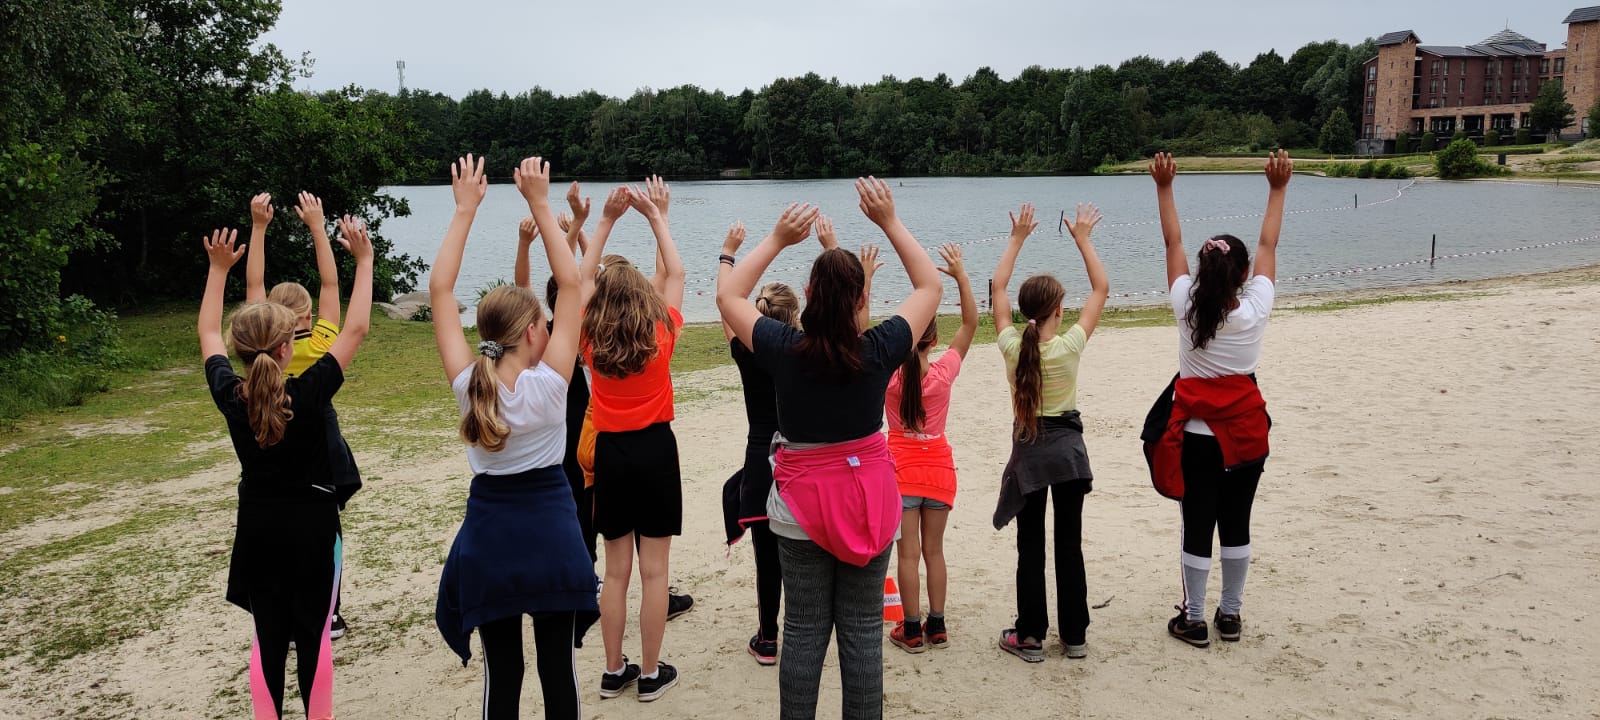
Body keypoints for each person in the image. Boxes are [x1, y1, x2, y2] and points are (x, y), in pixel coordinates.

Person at [716, 178, 942, 720]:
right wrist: (889, 221)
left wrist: (774, 239)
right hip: (867, 502)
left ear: (811, 297)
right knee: (862, 632)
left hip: (798, 507)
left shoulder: (785, 348)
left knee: (803, 629)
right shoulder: (878, 348)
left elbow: (728, 296)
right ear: (863, 300)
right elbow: (931, 287)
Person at [431, 155, 596, 720]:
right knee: (557, 672)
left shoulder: (468, 386)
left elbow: (441, 291)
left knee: (503, 675)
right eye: (544, 323)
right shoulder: (552, 386)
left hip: (490, 539)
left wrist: (464, 210)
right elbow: (571, 283)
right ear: (532, 332)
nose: (549, 327)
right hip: (551, 532)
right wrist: (542, 203)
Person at [198, 215, 373, 720]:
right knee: (314, 641)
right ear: (285, 347)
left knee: (267, 640)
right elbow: (357, 326)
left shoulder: (233, 398)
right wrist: (364, 261)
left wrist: (217, 271)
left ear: (241, 352)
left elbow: (208, 329)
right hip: (313, 528)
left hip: (257, 529)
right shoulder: (311, 392)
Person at [1145, 151, 1286, 648]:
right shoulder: (1255, 309)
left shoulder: (1186, 306)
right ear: (1243, 275)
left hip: (1199, 440)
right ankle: (1231, 615)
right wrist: (1277, 188)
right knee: (1237, 522)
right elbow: (1269, 241)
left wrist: (1165, 186)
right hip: (1247, 435)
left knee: (1197, 523)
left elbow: (1172, 240)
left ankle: (1195, 619)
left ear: (1202, 272)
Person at [583, 176, 688, 703]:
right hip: (654, 449)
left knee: (616, 571)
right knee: (654, 572)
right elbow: (677, 271)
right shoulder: (660, 331)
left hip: (612, 453)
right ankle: (649, 674)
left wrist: (603, 221)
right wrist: (656, 216)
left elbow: (578, 280)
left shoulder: (588, 336)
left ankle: (611, 669)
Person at [989, 202, 1108, 663]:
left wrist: (1016, 238)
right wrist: (1082, 238)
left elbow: (997, 286)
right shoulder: (1070, 346)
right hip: (1069, 456)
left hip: (1031, 457)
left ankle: (1031, 636)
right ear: (1059, 310)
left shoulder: (1011, 347)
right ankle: (1074, 637)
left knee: (1030, 546)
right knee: (1070, 545)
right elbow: (1102, 287)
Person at [244, 191, 362, 639]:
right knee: (325, 529)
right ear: (308, 315)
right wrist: (318, 225)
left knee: (280, 526)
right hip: (319, 447)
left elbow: (254, 288)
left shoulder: (257, 354)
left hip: (266, 445)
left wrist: (259, 229)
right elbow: (331, 286)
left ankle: (284, 610)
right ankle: (330, 612)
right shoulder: (320, 345)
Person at [883, 243, 978, 654]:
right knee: (934, 551)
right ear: (934, 338)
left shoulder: (887, 378)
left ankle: (911, 628)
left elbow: (856, 333)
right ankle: (937, 624)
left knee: (908, 556)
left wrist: (867, 281)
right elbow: (972, 323)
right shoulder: (942, 374)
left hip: (900, 472)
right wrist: (959, 276)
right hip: (938, 468)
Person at [716, 219, 801, 667]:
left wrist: (729, 254)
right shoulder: (804, 352)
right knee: (803, 557)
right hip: (797, 461)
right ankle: (804, 633)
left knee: (767, 559)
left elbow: (727, 306)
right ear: (796, 317)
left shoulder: (748, 356)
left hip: (760, 460)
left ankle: (768, 637)